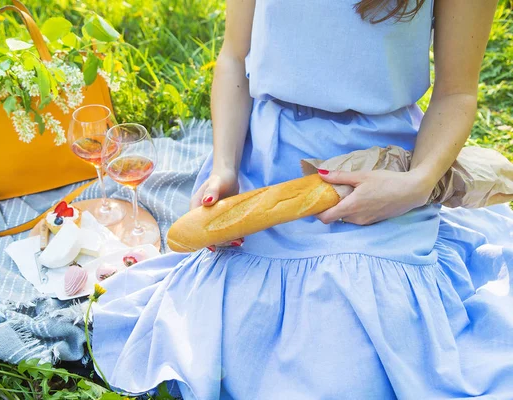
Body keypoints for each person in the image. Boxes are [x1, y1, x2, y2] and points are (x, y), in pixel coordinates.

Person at [92, 0, 513, 398]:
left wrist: (416, 185)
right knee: (239, 342)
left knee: (353, 372)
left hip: (381, 160)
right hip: (272, 154)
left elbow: (457, 92)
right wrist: (225, 167)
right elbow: (234, 58)